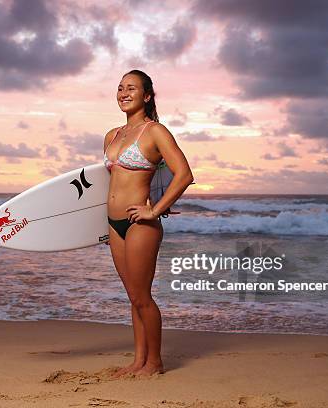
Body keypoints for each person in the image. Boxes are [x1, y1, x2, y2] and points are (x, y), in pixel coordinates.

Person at [103, 69, 194, 377]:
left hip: (139, 223)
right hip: (114, 224)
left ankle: (154, 362)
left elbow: (184, 174)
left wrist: (155, 211)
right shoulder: (112, 135)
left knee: (143, 297)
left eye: (131, 88)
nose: (124, 93)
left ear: (147, 95)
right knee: (132, 296)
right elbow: (110, 182)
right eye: (120, 88)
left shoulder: (155, 131)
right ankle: (138, 360)